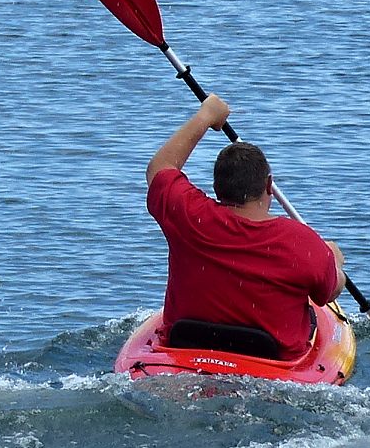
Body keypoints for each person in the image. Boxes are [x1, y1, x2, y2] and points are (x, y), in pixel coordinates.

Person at [145, 94, 346, 360]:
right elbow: (327, 294)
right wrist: (334, 262)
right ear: (268, 186)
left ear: (217, 188)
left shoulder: (189, 215)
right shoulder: (304, 244)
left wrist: (206, 116)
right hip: (269, 366)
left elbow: (160, 168)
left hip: (189, 351)